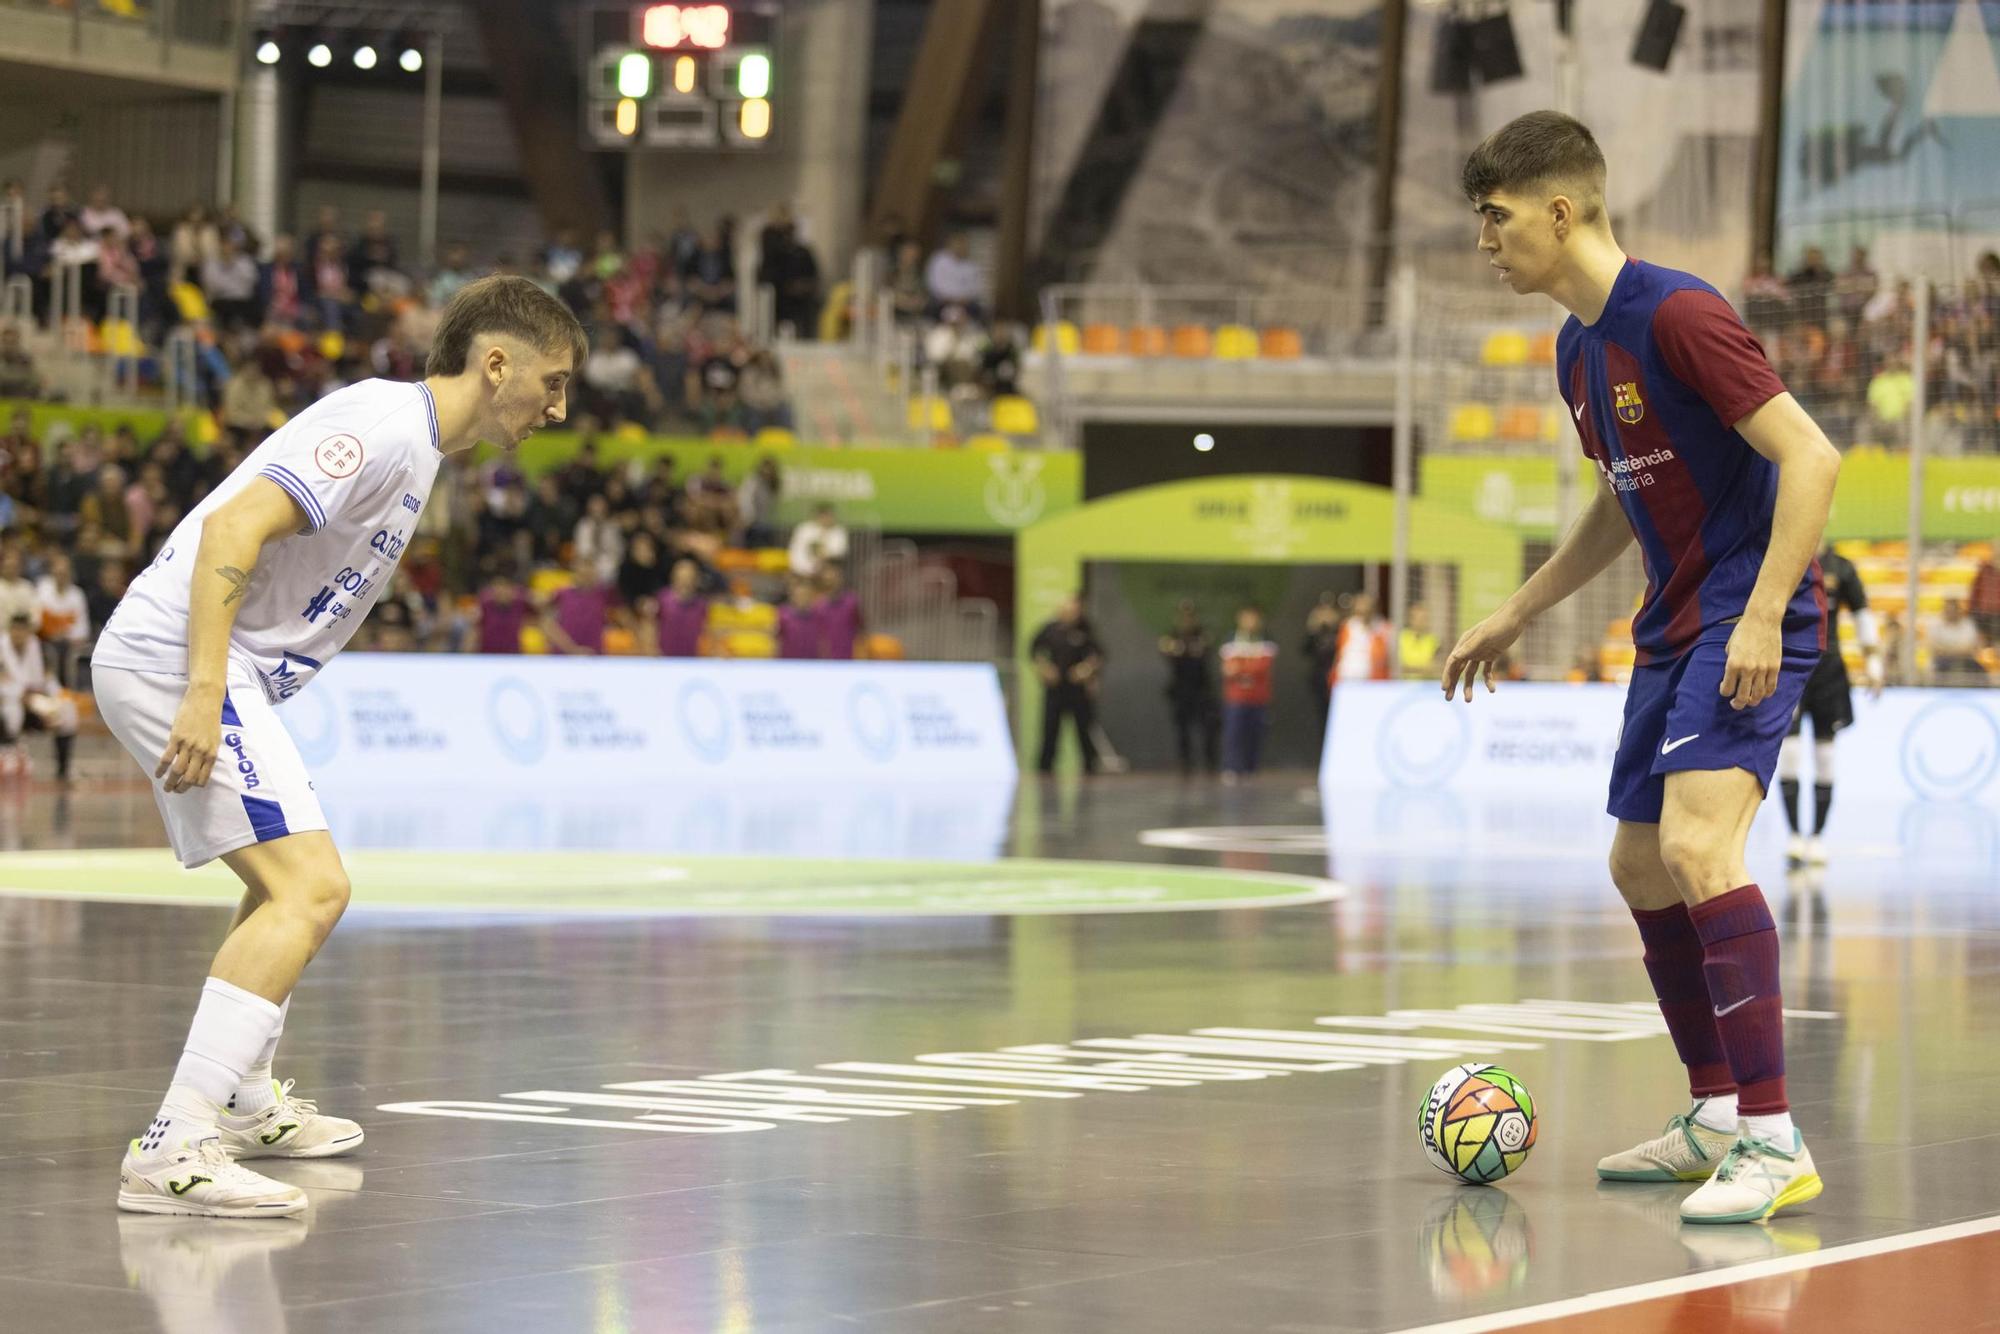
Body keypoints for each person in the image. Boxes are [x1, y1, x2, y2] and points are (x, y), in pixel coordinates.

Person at [89, 274, 585, 1217]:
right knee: (313, 887)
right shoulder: (384, 425)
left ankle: (237, 1101)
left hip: (214, 666)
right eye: (552, 382)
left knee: (277, 884)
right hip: (184, 659)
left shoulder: (423, 446)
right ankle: (178, 1141)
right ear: (495, 363)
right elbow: (235, 524)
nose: (556, 408)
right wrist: (202, 689)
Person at [1443, 112, 1839, 1225]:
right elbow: (1619, 501)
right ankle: (1713, 1110)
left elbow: (1810, 453)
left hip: (1742, 613)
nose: (1485, 240)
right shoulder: (1575, 348)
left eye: (1496, 216)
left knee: (1695, 845)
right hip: (1671, 626)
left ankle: (1770, 1137)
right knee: (1637, 865)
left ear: (1557, 212)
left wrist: (1762, 612)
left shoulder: (1676, 312)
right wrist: (1517, 610)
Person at [1778, 544, 1881, 868]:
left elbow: (1862, 613)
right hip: (1789, 667)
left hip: (1829, 671)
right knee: (1790, 754)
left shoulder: (1841, 568)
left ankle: (1818, 837)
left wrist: (1874, 662)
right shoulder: (1783, 556)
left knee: (1825, 755)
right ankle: (1794, 835)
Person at [0, 612, 78, 782]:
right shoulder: (2, 648)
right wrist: (19, 694)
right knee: (11, 710)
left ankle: (63, 768)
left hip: (35, 699)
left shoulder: (38, 648)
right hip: (7, 702)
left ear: (28, 632)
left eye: (22, 631)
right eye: (15, 630)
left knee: (67, 709)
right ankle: (10, 754)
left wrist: (57, 697)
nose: (18, 635)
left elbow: (48, 678)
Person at [1032, 594, 1101, 775]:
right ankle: (1045, 767)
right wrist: (1044, 668)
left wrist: (1085, 670)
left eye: (1074, 610)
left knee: (1083, 729)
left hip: (1077, 689)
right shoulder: (1050, 630)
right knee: (1050, 729)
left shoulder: (1085, 630)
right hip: (1055, 689)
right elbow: (1034, 650)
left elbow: (1097, 655)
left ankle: (1090, 765)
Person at [1218, 605, 1277, 783]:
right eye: (1246, 617)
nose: (1250, 622)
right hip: (1236, 697)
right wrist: (1243, 669)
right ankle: (1232, 767)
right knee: (1234, 732)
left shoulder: (1266, 640)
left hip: (1258, 696)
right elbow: (1228, 667)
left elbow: (1263, 666)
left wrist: (1241, 668)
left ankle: (1251, 767)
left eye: (1253, 618)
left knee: (1256, 732)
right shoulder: (1231, 640)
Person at [1159, 599, 1217, 775]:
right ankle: (1186, 764)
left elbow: (1203, 650)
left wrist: (1183, 649)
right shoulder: (1172, 636)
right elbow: (1168, 651)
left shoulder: (1203, 634)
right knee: (1182, 730)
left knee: (1208, 728)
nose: (1186, 620)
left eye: (1190, 616)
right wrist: (1180, 649)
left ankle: (1210, 763)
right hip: (1180, 689)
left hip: (1201, 688)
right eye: (1183, 616)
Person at [653, 558, 709, 657]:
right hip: (664, 657)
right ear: (674, 577)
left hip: (691, 658)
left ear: (695, 579)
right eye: (681, 577)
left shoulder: (701, 604)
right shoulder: (662, 599)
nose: (684, 582)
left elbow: (707, 630)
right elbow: (651, 626)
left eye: (688, 578)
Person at [1302, 593, 1340, 738]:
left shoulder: (1343, 631)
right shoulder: (1316, 633)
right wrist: (1313, 629)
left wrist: (1337, 625)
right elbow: (1305, 650)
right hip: (1320, 679)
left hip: (1339, 681)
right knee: (1323, 717)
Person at [787, 502, 848, 578]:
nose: (826, 519)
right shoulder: (804, 529)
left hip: (826, 570)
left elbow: (838, 552)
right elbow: (796, 551)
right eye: (824, 516)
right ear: (818, 516)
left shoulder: (838, 531)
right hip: (801, 569)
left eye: (829, 516)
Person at [817, 562, 863, 660]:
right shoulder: (819, 606)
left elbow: (861, 628)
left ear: (840, 579)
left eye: (834, 579)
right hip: (827, 659)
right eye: (828, 580)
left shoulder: (852, 602)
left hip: (849, 657)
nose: (831, 583)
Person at [776, 576, 822, 659]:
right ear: (792, 596)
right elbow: (776, 640)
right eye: (799, 595)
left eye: (806, 595)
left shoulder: (818, 616)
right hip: (789, 663)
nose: (802, 599)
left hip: (813, 663)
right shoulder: (782, 615)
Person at [1398, 604, 1440, 681]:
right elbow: (1400, 666)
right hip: (1404, 685)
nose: (1420, 622)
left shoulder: (1433, 640)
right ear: (1411, 619)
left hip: (1426, 686)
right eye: (1417, 618)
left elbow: (1435, 668)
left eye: (1423, 618)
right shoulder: (1402, 637)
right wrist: (1423, 668)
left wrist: (1412, 668)